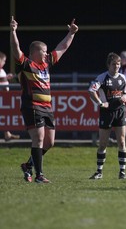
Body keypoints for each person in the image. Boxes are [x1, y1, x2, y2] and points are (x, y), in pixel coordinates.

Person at [10, 16, 78, 183]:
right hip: (32, 105)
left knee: (49, 142)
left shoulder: (47, 63)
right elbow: (15, 48)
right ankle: (39, 175)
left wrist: (71, 33)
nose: (46, 53)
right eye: (43, 50)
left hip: (47, 107)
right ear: (34, 52)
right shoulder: (26, 64)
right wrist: (13, 31)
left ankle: (28, 166)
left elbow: (62, 47)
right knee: (38, 138)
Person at [88, 52, 126, 180]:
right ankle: (99, 172)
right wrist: (100, 103)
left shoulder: (122, 77)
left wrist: (125, 97)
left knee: (122, 141)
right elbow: (91, 90)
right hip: (107, 113)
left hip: (120, 111)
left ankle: (122, 172)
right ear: (108, 65)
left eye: (118, 64)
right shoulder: (102, 78)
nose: (116, 67)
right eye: (113, 64)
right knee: (103, 143)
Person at [0, 51, 20, 141]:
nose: (4, 63)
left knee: (5, 115)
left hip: (4, 97)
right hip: (1, 97)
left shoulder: (2, 70)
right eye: (3, 61)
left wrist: (7, 77)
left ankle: (7, 134)